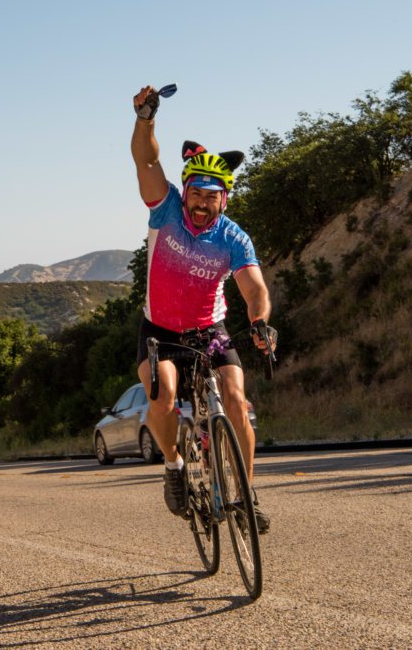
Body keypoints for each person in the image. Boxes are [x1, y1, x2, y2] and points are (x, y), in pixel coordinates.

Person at [130, 85, 277, 534]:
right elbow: (147, 161)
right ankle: (174, 467)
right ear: (187, 190)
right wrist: (146, 119)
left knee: (236, 400)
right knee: (164, 396)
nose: (201, 203)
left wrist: (259, 321)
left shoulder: (233, 237)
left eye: (212, 197)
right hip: (160, 330)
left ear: (224, 199)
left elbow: (255, 288)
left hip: (209, 329)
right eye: (197, 193)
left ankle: (246, 493)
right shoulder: (167, 208)